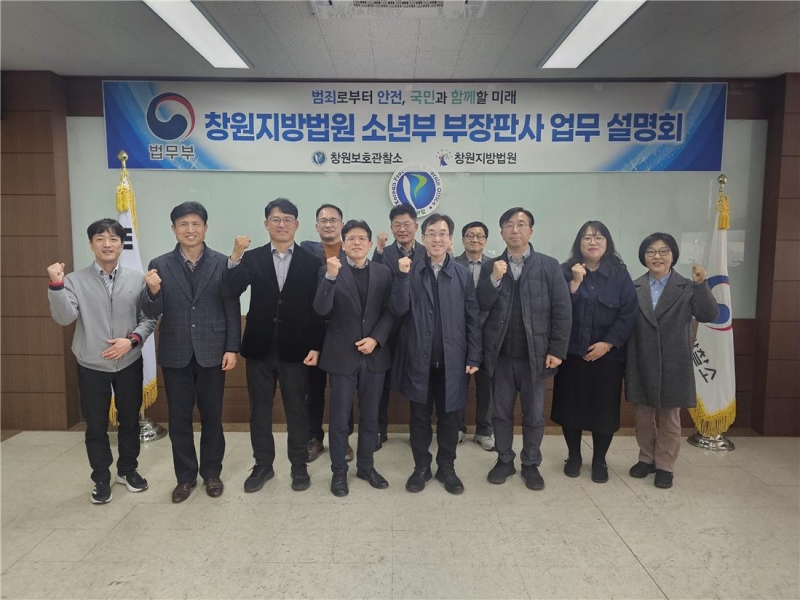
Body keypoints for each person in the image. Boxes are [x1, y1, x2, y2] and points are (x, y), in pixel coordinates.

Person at [47, 219, 156, 504]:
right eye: (100, 239)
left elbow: (148, 319)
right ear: (91, 244)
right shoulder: (74, 280)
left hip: (129, 361)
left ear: (122, 244)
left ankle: (127, 470)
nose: (107, 244)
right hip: (91, 364)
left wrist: (130, 341)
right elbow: (64, 318)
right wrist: (56, 285)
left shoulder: (137, 279)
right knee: (95, 425)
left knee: (130, 420)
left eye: (113, 239)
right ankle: (101, 478)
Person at [141, 202, 241, 503]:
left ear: (205, 228)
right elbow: (151, 312)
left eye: (196, 224)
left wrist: (232, 347)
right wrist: (152, 292)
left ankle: (211, 474)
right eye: (183, 224)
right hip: (176, 352)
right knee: (179, 420)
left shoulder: (222, 263)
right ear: (174, 229)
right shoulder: (159, 264)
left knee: (212, 417)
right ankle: (185, 478)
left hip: (213, 351)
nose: (190, 229)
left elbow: (231, 307)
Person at [223, 198, 324, 493]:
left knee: (297, 411)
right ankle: (263, 465)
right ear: (266, 224)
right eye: (276, 219)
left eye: (288, 219)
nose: (282, 225)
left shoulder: (311, 261)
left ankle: (299, 465)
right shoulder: (252, 258)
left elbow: (317, 309)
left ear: (297, 225)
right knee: (259, 411)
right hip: (259, 347)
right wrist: (235, 255)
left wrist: (316, 345)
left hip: (297, 348)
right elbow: (230, 290)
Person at [478, 208, 571, 491]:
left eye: (521, 225)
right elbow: (480, 304)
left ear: (531, 230)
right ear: (502, 232)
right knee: (500, 413)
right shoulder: (491, 266)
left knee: (533, 415)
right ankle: (504, 460)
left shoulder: (549, 266)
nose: (515, 230)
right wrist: (494, 279)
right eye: (509, 225)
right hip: (501, 356)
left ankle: (530, 464)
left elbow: (562, 311)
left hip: (536, 356)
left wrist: (557, 350)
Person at [390, 214, 482, 495]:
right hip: (419, 359)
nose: (437, 239)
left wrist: (474, 356)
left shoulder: (462, 275)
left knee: (450, 417)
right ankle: (421, 466)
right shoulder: (410, 270)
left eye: (443, 233)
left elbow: (472, 317)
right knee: (419, 417)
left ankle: (447, 467)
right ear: (423, 238)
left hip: (453, 361)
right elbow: (398, 309)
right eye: (432, 233)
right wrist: (402, 277)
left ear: (450, 239)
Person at [626, 232, 718, 489]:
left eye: (663, 251)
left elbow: (708, 314)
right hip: (641, 358)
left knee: (669, 417)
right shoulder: (633, 286)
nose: (657, 257)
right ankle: (646, 458)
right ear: (644, 257)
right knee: (643, 416)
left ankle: (665, 465)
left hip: (674, 361)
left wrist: (701, 285)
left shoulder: (687, 286)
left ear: (673, 256)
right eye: (651, 252)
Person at [313, 220, 396, 497]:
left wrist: (376, 339)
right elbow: (321, 310)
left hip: (374, 355)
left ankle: (366, 467)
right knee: (339, 419)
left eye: (362, 238)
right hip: (341, 355)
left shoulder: (383, 273)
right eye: (351, 238)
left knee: (371, 417)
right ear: (343, 243)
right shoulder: (329, 270)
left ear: (370, 244)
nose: (357, 242)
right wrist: (330, 277)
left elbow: (390, 311)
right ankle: (339, 471)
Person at [550, 221, 637, 483]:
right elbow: (557, 309)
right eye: (587, 237)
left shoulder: (619, 274)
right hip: (572, 354)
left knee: (604, 411)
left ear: (607, 243)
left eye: (598, 237)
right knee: (571, 409)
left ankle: (600, 460)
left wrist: (607, 344)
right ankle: (574, 457)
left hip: (607, 357)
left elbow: (628, 314)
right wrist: (575, 284)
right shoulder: (565, 271)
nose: (592, 242)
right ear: (579, 243)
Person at [299, 203, 354, 464]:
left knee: (344, 389)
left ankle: (342, 440)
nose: (328, 224)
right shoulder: (306, 252)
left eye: (333, 220)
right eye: (323, 220)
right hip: (313, 330)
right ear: (316, 226)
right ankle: (314, 437)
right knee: (313, 388)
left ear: (341, 224)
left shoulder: (352, 250)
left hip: (344, 331)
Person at [371, 204, 424, 450]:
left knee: (417, 380)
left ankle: (418, 432)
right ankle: (378, 430)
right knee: (380, 382)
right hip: (388, 327)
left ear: (416, 226)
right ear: (391, 228)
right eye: (397, 225)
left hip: (418, 327)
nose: (402, 229)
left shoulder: (426, 252)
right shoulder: (384, 253)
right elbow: (374, 282)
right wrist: (378, 251)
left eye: (407, 224)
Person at [453, 220, 494, 451]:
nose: (474, 239)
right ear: (462, 239)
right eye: (469, 235)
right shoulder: (452, 263)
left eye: (479, 236)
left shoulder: (495, 266)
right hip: (459, 333)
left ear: (486, 240)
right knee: (458, 383)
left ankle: (484, 430)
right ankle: (458, 428)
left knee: (487, 385)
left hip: (488, 334)